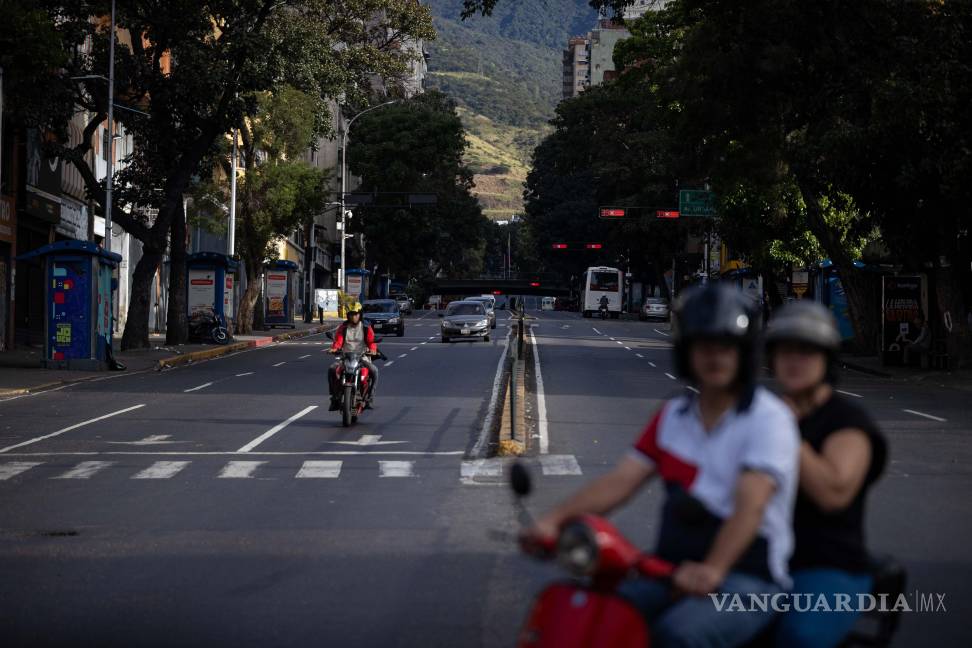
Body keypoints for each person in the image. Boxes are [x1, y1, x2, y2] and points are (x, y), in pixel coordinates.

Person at [523, 284, 800, 648]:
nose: (714, 356)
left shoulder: (767, 419)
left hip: (746, 579)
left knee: (679, 636)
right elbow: (621, 480)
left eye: (726, 345)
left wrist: (713, 570)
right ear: (687, 352)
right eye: (703, 345)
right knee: (603, 613)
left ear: (743, 352)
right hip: (669, 571)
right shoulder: (675, 415)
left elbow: (750, 507)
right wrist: (552, 520)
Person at [765, 301, 887, 648]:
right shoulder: (764, 413)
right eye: (785, 351)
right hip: (759, 560)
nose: (794, 360)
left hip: (827, 565)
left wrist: (787, 429)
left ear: (827, 359)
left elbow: (833, 494)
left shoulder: (847, 421)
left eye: (807, 351)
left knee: (798, 637)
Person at [328, 302, 379, 410]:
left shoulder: (366, 327)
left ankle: (369, 398)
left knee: (374, 371)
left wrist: (373, 350)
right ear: (348, 315)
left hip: (362, 357)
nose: (354, 316)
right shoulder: (343, 327)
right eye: (351, 314)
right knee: (332, 369)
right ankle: (334, 397)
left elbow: (371, 341)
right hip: (346, 357)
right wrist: (334, 348)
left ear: (360, 314)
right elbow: (338, 341)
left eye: (356, 314)